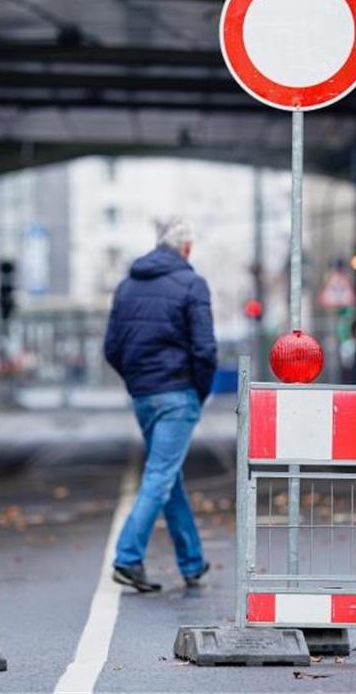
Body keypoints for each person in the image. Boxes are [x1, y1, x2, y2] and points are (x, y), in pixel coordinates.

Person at [104, 217, 217, 592]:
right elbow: (205, 349)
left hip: (143, 395)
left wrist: (138, 382)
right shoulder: (192, 284)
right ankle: (127, 557)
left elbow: (112, 348)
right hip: (177, 391)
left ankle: (192, 561)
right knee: (160, 477)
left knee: (168, 476)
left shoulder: (126, 286)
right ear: (186, 248)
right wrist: (198, 392)